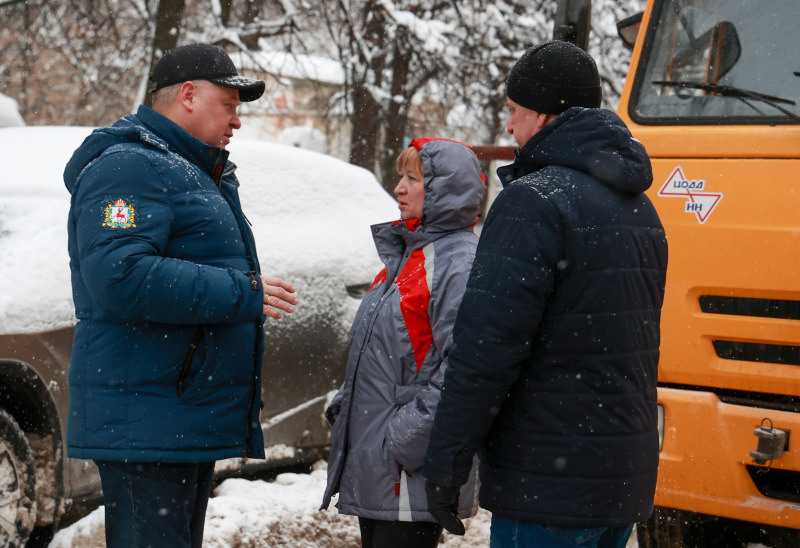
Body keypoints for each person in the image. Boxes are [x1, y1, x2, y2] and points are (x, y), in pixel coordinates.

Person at [422, 40, 669, 547]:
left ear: (542, 113)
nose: (510, 127)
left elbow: (486, 348)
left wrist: (447, 458)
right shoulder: (640, 209)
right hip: (620, 476)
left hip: (548, 480)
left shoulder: (533, 202)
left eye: (514, 111)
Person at [63, 43, 298, 548]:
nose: (237, 121)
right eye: (229, 105)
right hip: (148, 422)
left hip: (175, 417)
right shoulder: (128, 168)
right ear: (188, 95)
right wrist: (244, 292)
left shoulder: (190, 170)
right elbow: (120, 274)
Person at [320, 137, 486, 547]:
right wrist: (348, 402)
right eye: (400, 177)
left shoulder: (457, 264)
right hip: (381, 462)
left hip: (407, 469)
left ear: (444, 190)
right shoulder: (408, 257)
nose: (399, 188)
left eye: (412, 178)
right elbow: (386, 352)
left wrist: (406, 437)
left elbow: (466, 367)